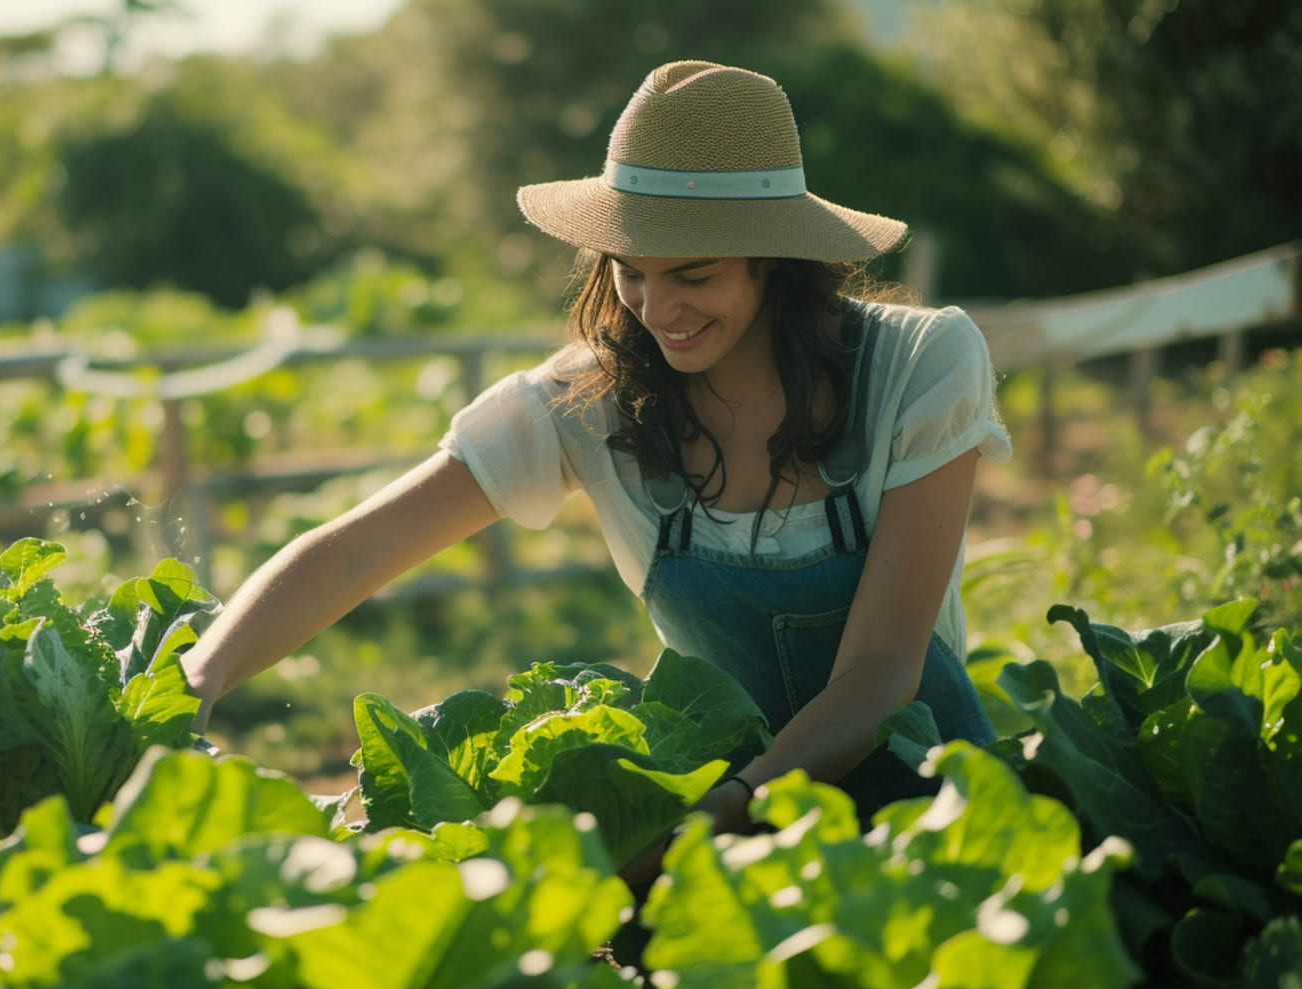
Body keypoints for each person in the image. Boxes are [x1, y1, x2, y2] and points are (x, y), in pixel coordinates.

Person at [181, 60, 1011, 849]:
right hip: (715, 830)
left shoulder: (917, 365)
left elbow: (881, 667)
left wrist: (725, 813)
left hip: (929, 813)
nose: (657, 308)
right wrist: (199, 679)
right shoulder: (588, 401)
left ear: (776, 259)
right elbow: (356, 549)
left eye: (692, 274)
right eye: (629, 272)